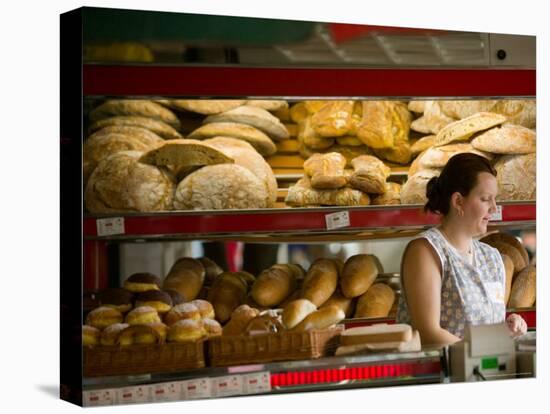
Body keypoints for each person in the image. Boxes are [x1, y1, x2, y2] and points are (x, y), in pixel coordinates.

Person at [396, 153, 527, 346]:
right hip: (442, 373)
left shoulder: (492, 257)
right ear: (458, 201)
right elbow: (427, 332)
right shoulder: (426, 251)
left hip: (487, 372)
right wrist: (482, 354)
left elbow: (485, 327)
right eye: (485, 199)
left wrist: (507, 328)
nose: (494, 208)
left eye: (494, 199)